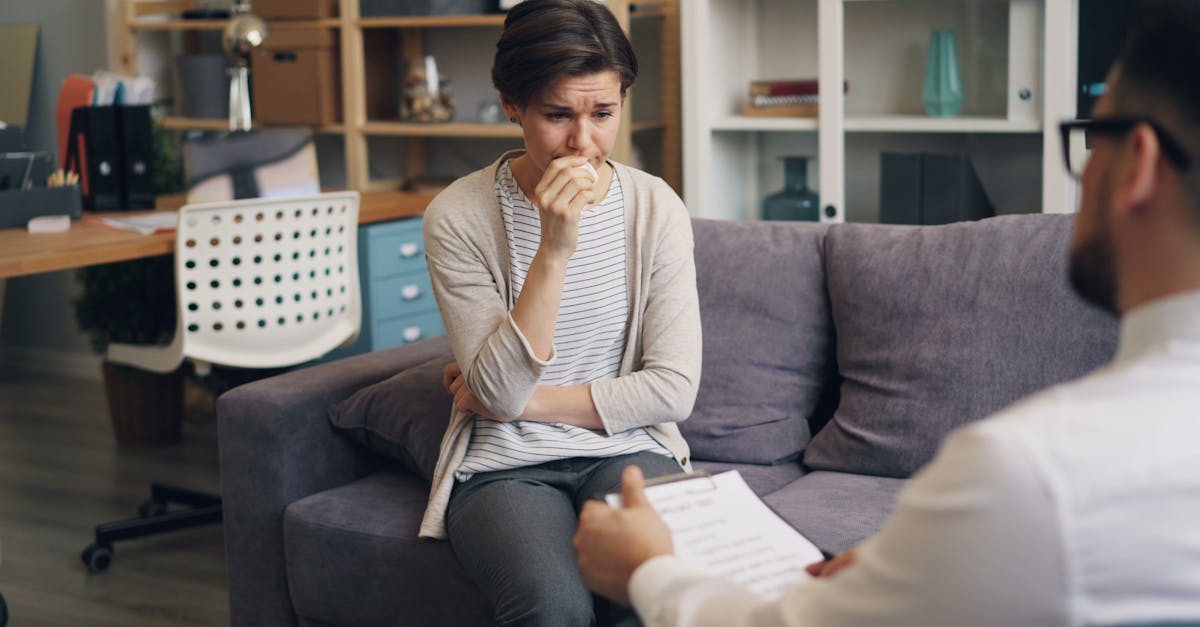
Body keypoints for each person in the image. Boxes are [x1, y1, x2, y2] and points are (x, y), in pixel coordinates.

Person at [573, 3, 1200, 625]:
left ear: (1137, 164)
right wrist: (915, 570)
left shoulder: (1032, 473)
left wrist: (647, 570)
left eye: (1094, 139)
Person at [419, 1, 702, 625]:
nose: (583, 141)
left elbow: (674, 389)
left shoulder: (655, 208)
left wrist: (524, 401)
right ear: (511, 104)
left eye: (603, 114)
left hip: (629, 449)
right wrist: (553, 248)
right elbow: (496, 390)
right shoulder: (457, 217)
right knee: (552, 607)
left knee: (657, 589)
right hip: (505, 467)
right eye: (557, 115)